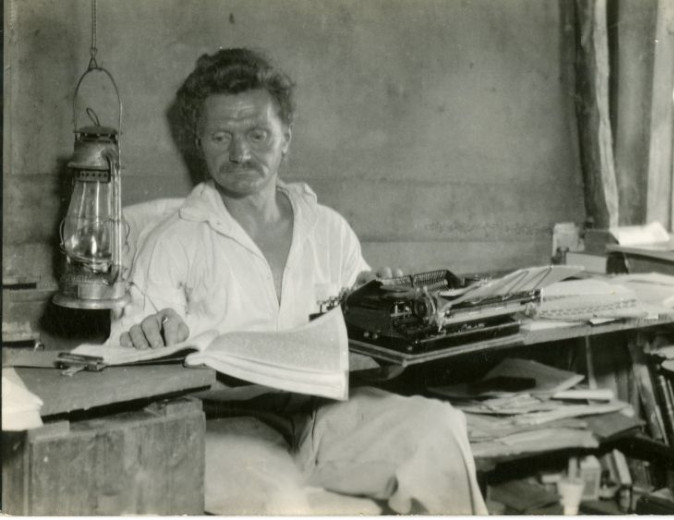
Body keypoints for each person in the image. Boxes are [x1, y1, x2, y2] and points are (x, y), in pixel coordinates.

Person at [112, 48, 487, 515]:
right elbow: (129, 362)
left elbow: (383, 365)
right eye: (221, 137)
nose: (240, 154)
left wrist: (387, 316)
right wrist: (148, 336)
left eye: (258, 134)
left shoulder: (328, 230)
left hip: (323, 413)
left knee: (437, 430)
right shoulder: (174, 241)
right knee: (279, 502)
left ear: (285, 137)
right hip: (225, 425)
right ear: (199, 142)